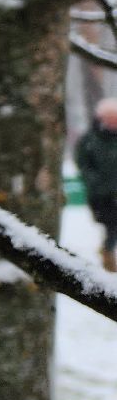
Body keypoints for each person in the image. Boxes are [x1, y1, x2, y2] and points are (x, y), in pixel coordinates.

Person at [76, 98, 117, 271]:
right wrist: (98, 183)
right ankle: (107, 254)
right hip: (101, 195)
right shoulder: (90, 140)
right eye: (110, 118)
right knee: (113, 224)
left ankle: (107, 251)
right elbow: (83, 165)